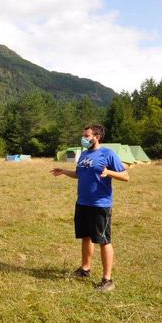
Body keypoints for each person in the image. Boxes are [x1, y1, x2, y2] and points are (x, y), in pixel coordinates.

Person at [51, 125, 129, 292]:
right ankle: (85, 269)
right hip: (82, 203)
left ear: (97, 136)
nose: (83, 138)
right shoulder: (84, 154)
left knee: (104, 241)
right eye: (83, 135)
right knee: (85, 237)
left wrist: (109, 173)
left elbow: (125, 176)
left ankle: (108, 280)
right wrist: (64, 171)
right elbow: (79, 174)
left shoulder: (108, 154)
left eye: (86, 136)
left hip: (100, 205)